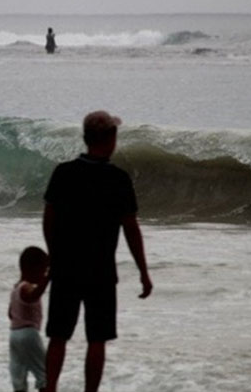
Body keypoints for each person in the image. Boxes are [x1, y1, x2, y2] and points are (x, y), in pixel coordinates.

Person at [42, 111, 152, 392]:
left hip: (65, 267)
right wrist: (143, 272)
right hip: (101, 271)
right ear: (111, 139)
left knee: (58, 336)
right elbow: (131, 228)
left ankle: (50, 388)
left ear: (86, 138)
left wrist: (53, 255)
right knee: (97, 339)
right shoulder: (118, 179)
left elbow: (49, 218)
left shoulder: (64, 173)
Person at [9, 246, 50, 392]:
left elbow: (10, 313)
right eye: (43, 270)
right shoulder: (26, 287)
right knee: (44, 371)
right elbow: (34, 295)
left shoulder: (15, 288)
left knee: (18, 370)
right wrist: (48, 279)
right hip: (28, 334)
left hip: (14, 335)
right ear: (32, 269)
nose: (43, 274)